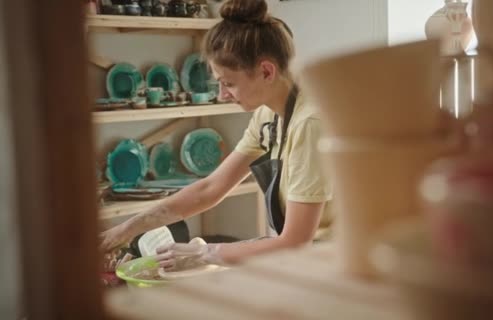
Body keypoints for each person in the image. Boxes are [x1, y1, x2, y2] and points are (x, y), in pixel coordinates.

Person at [100, 0, 333, 268]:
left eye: (228, 83)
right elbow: (210, 189)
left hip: (335, 265)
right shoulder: (268, 115)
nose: (222, 95)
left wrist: (204, 253)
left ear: (266, 71)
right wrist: (125, 230)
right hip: (303, 260)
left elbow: (295, 241)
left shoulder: (309, 123)